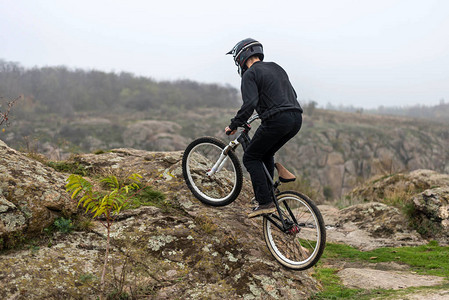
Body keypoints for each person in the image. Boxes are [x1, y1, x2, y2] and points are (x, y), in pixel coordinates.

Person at [225, 38, 303, 218]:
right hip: (296, 118)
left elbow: (249, 103)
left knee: (250, 158)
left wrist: (234, 124)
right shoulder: (276, 67)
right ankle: (269, 191)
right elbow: (291, 94)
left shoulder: (250, 74)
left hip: (277, 120)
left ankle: (265, 202)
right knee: (265, 153)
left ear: (241, 57)